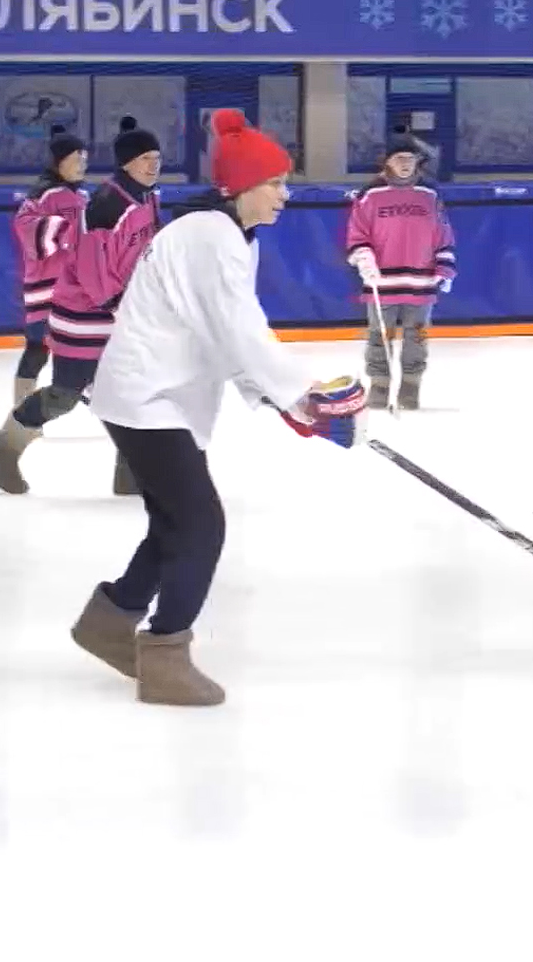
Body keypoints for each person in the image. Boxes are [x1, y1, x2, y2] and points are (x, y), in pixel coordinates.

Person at [72, 109, 368, 707]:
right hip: (147, 399)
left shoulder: (228, 236)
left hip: (159, 398)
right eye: (276, 183)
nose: (285, 194)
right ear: (240, 187)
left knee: (175, 523)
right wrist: (304, 395)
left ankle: (108, 622)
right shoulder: (211, 236)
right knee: (202, 526)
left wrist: (285, 401)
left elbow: (225, 333)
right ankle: (165, 657)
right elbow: (238, 330)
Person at [0, 116, 163, 496]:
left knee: (129, 391)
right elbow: (94, 271)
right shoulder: (107, 205)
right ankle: (2, 451)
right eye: (146, 157)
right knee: (66, 394)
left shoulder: (145, 198)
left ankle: (132, 473)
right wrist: (123, 306)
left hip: (115, 317)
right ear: (127, 162)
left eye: (157, 157)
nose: (153, 165)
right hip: (85, 318)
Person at [345, 131, 456, 410]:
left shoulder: (429, 195)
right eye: (400, 158)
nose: (406, 163)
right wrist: (364, 259)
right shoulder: (371, 195)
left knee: (416, 336)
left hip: (421, 283)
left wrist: (444, 268)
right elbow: (358, 233)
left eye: (410, 158)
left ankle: (410, 387)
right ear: (388, 162)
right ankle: (379, 387)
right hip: (382, 283)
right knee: (378, 337)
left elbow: (443, 234)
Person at [8, 126, 88, 406]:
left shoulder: (81, 196)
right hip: (47, 290)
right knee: (37, 350)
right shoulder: (44, 195)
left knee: (87, 350)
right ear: (60, 161)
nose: (82, 165)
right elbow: (27, 228)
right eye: (77, 159)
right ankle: (21, 411)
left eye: (84, 159)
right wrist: (69, 231)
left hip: (76, 291)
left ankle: (102, 406)